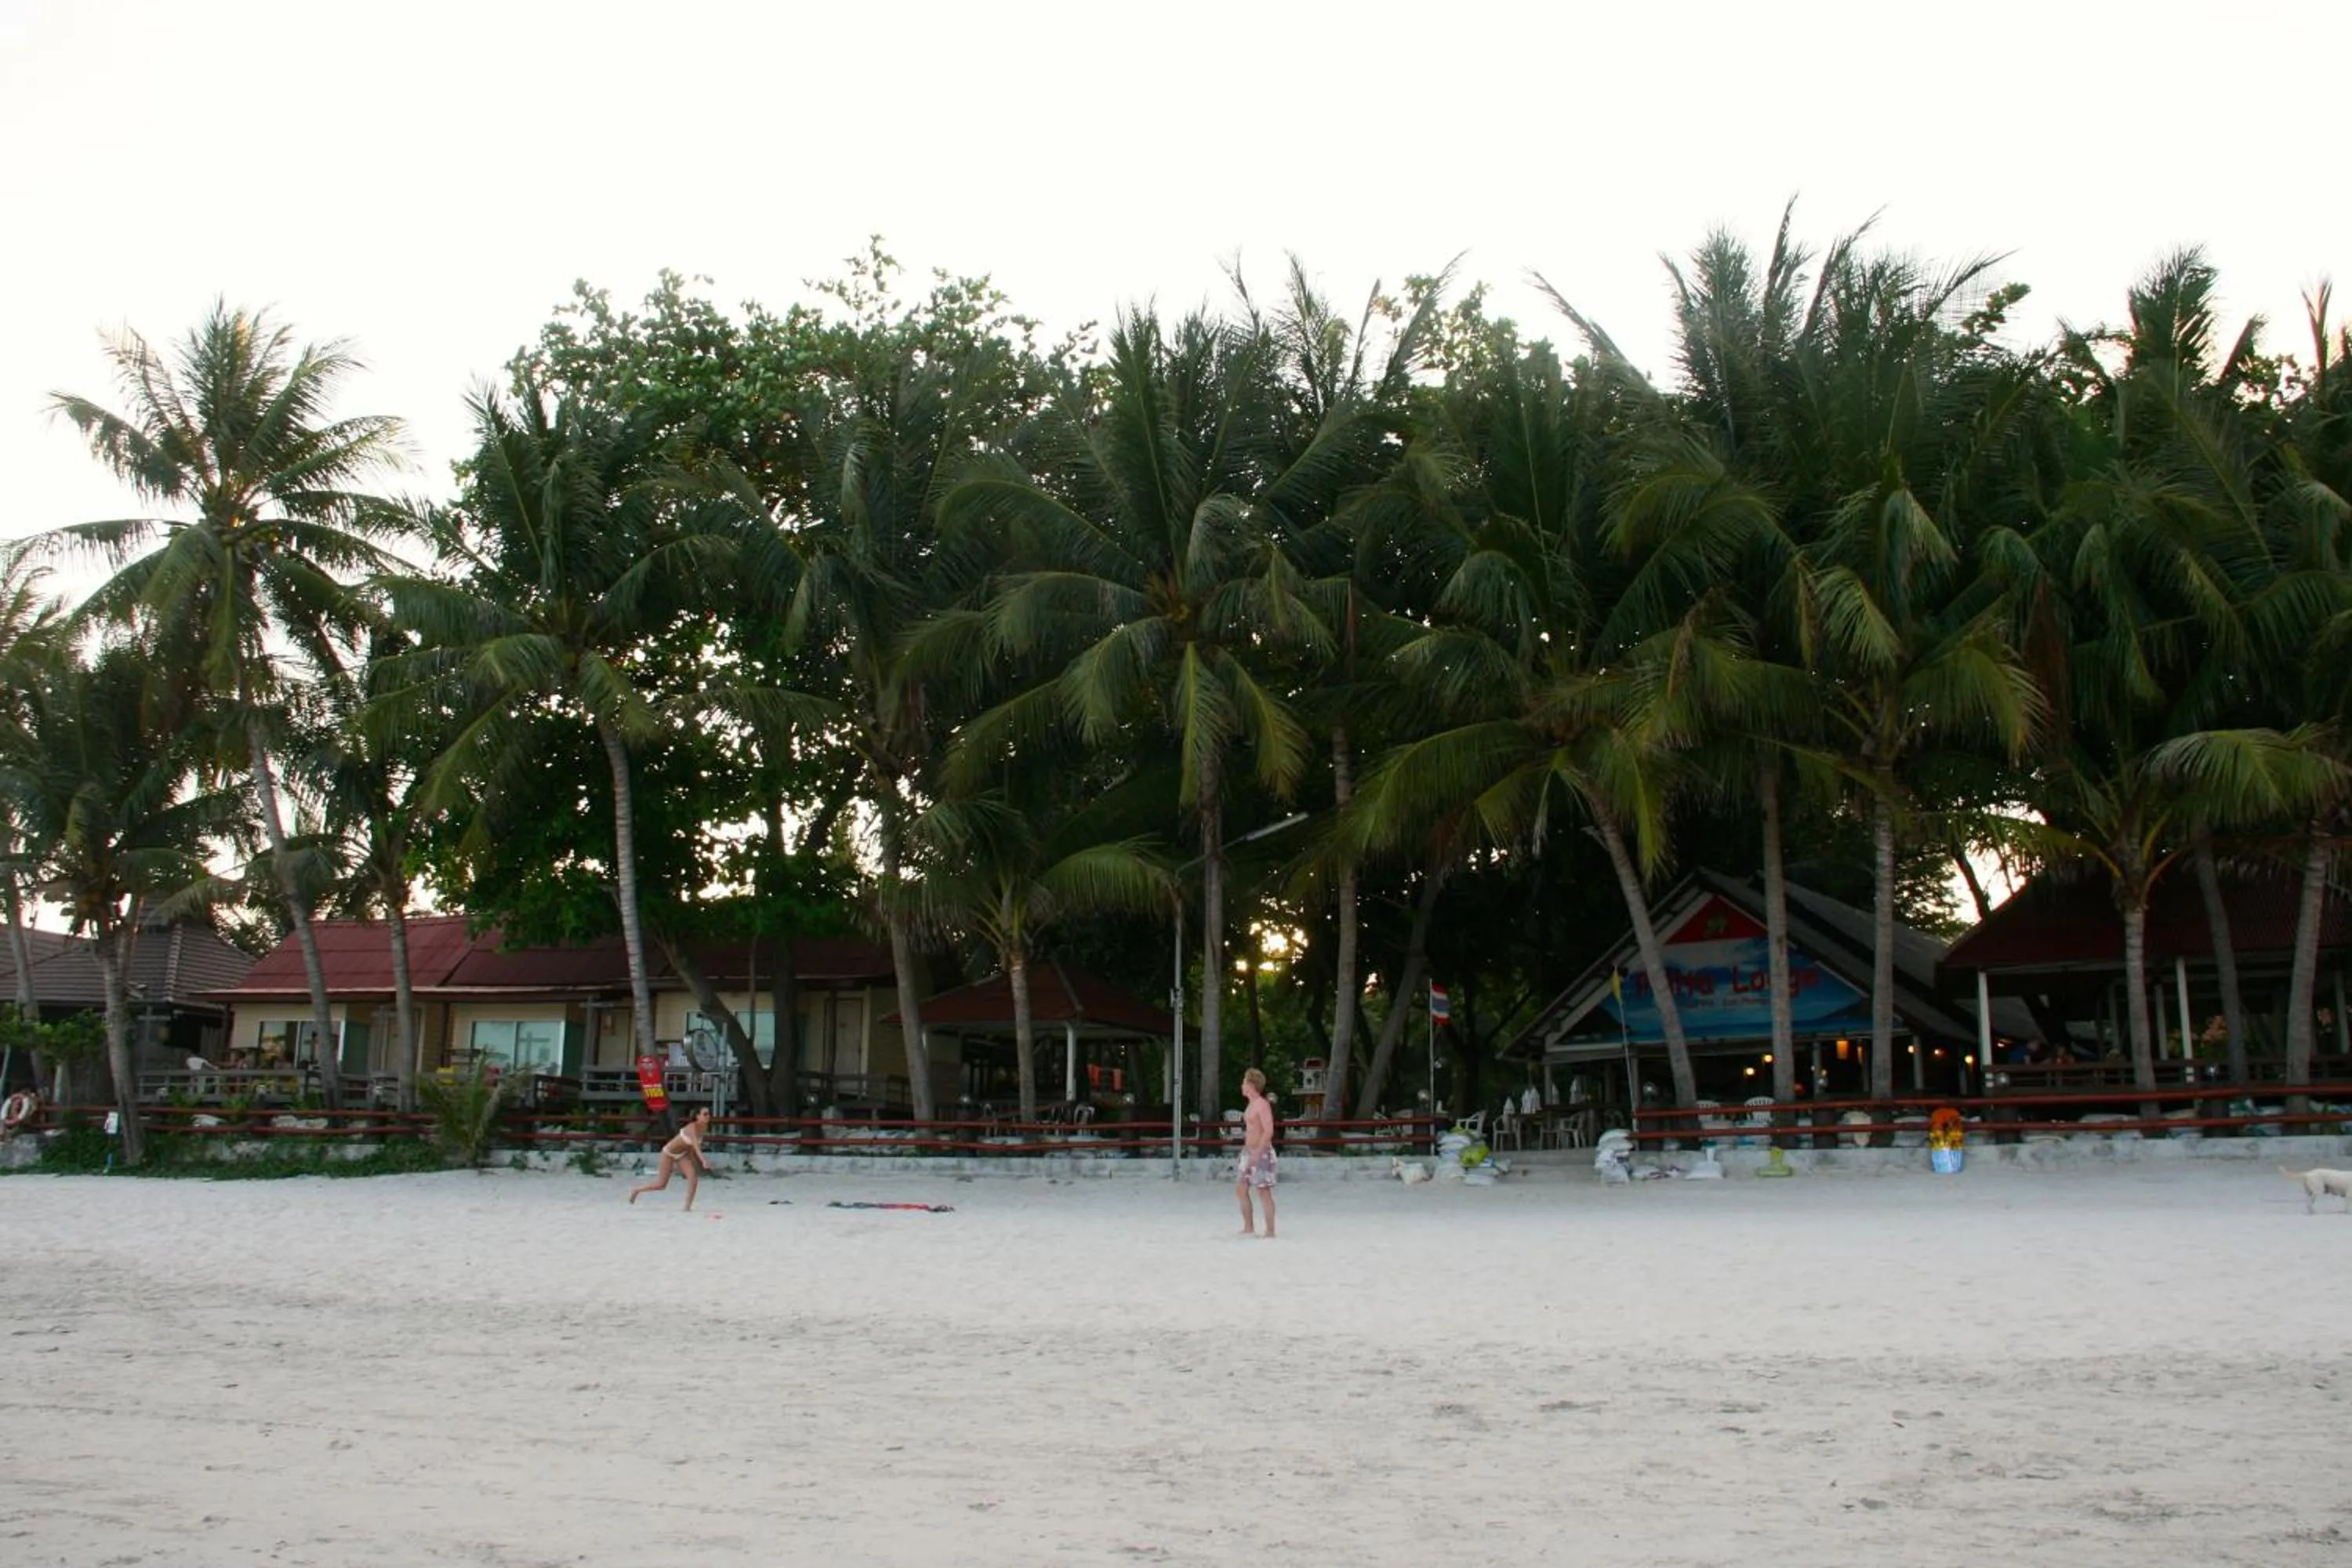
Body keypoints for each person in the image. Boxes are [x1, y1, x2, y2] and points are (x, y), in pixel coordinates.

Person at [629, 1106, 715, 1210]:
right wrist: (704, 1161)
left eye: (709, 1114)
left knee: (693, 1178)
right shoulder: (692, 1127)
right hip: (668, 1154)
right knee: (661, 1185)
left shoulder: (704, 1128)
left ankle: (687, 1207)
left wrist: (694, 1164)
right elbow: (696, 1147)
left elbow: (692, 1149)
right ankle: (636, 1190)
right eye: (705, 1114)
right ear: (697, 1116)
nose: (708, 1116)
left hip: (683, 1155)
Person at [1234, 1068, 1277, 1239]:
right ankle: (1248, 1226)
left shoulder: (1262, 1104)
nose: (1242, 1085)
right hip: (1248, 1151)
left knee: (1263, 1191)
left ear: (1251, 1085)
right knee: (1241, 1189)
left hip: (1262, 1152)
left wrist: (1258, 1152)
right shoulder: (1251, 1105)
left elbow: (1268, 1130)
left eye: (1244, 1082)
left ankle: (1270, 1230)